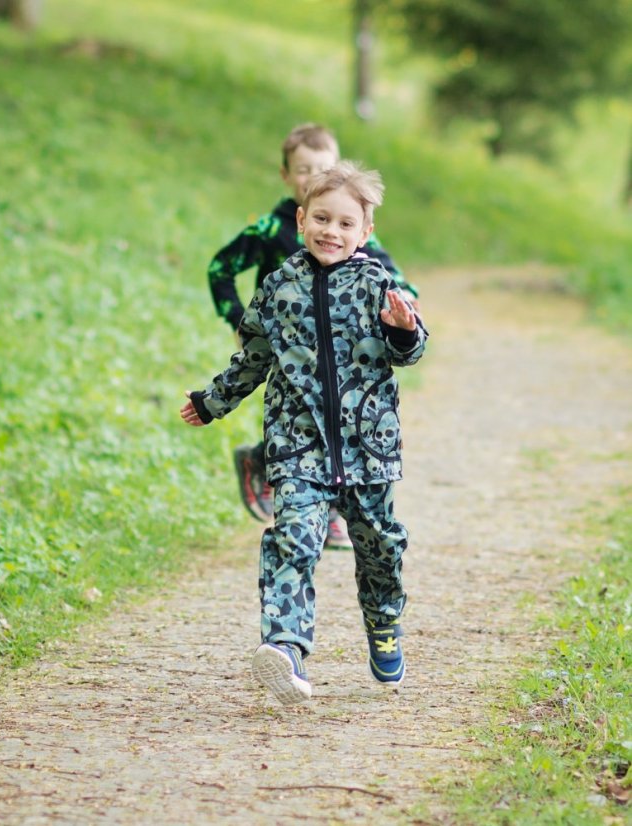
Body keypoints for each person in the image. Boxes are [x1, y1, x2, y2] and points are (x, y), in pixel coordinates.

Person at [182, 161, 428, 705]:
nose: (330, 232)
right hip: (298, 445)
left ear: (365, 233)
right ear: (300, 219)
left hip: (368, 450)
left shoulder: (378, 285)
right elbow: (252, 358)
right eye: (321, 218)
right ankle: (286, 648)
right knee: (292, 538)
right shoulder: (278, 288)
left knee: (380, 548)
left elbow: (409, 349)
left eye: (345, 224)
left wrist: (404, 332)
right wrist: (212, 401)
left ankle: (384, 624)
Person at [207, 123, 420, 550]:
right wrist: (237, 321)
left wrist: (405, 308)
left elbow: (392, 278)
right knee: (295, 418)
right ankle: (266, 465)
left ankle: (334, 514)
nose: (311, 177)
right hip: (284, 343)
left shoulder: (347, 224)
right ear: (286, 175)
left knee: (342, 424)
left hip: (341, 349)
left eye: (322, 168)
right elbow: (220, 270)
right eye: (302, 169)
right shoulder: (270, 229)